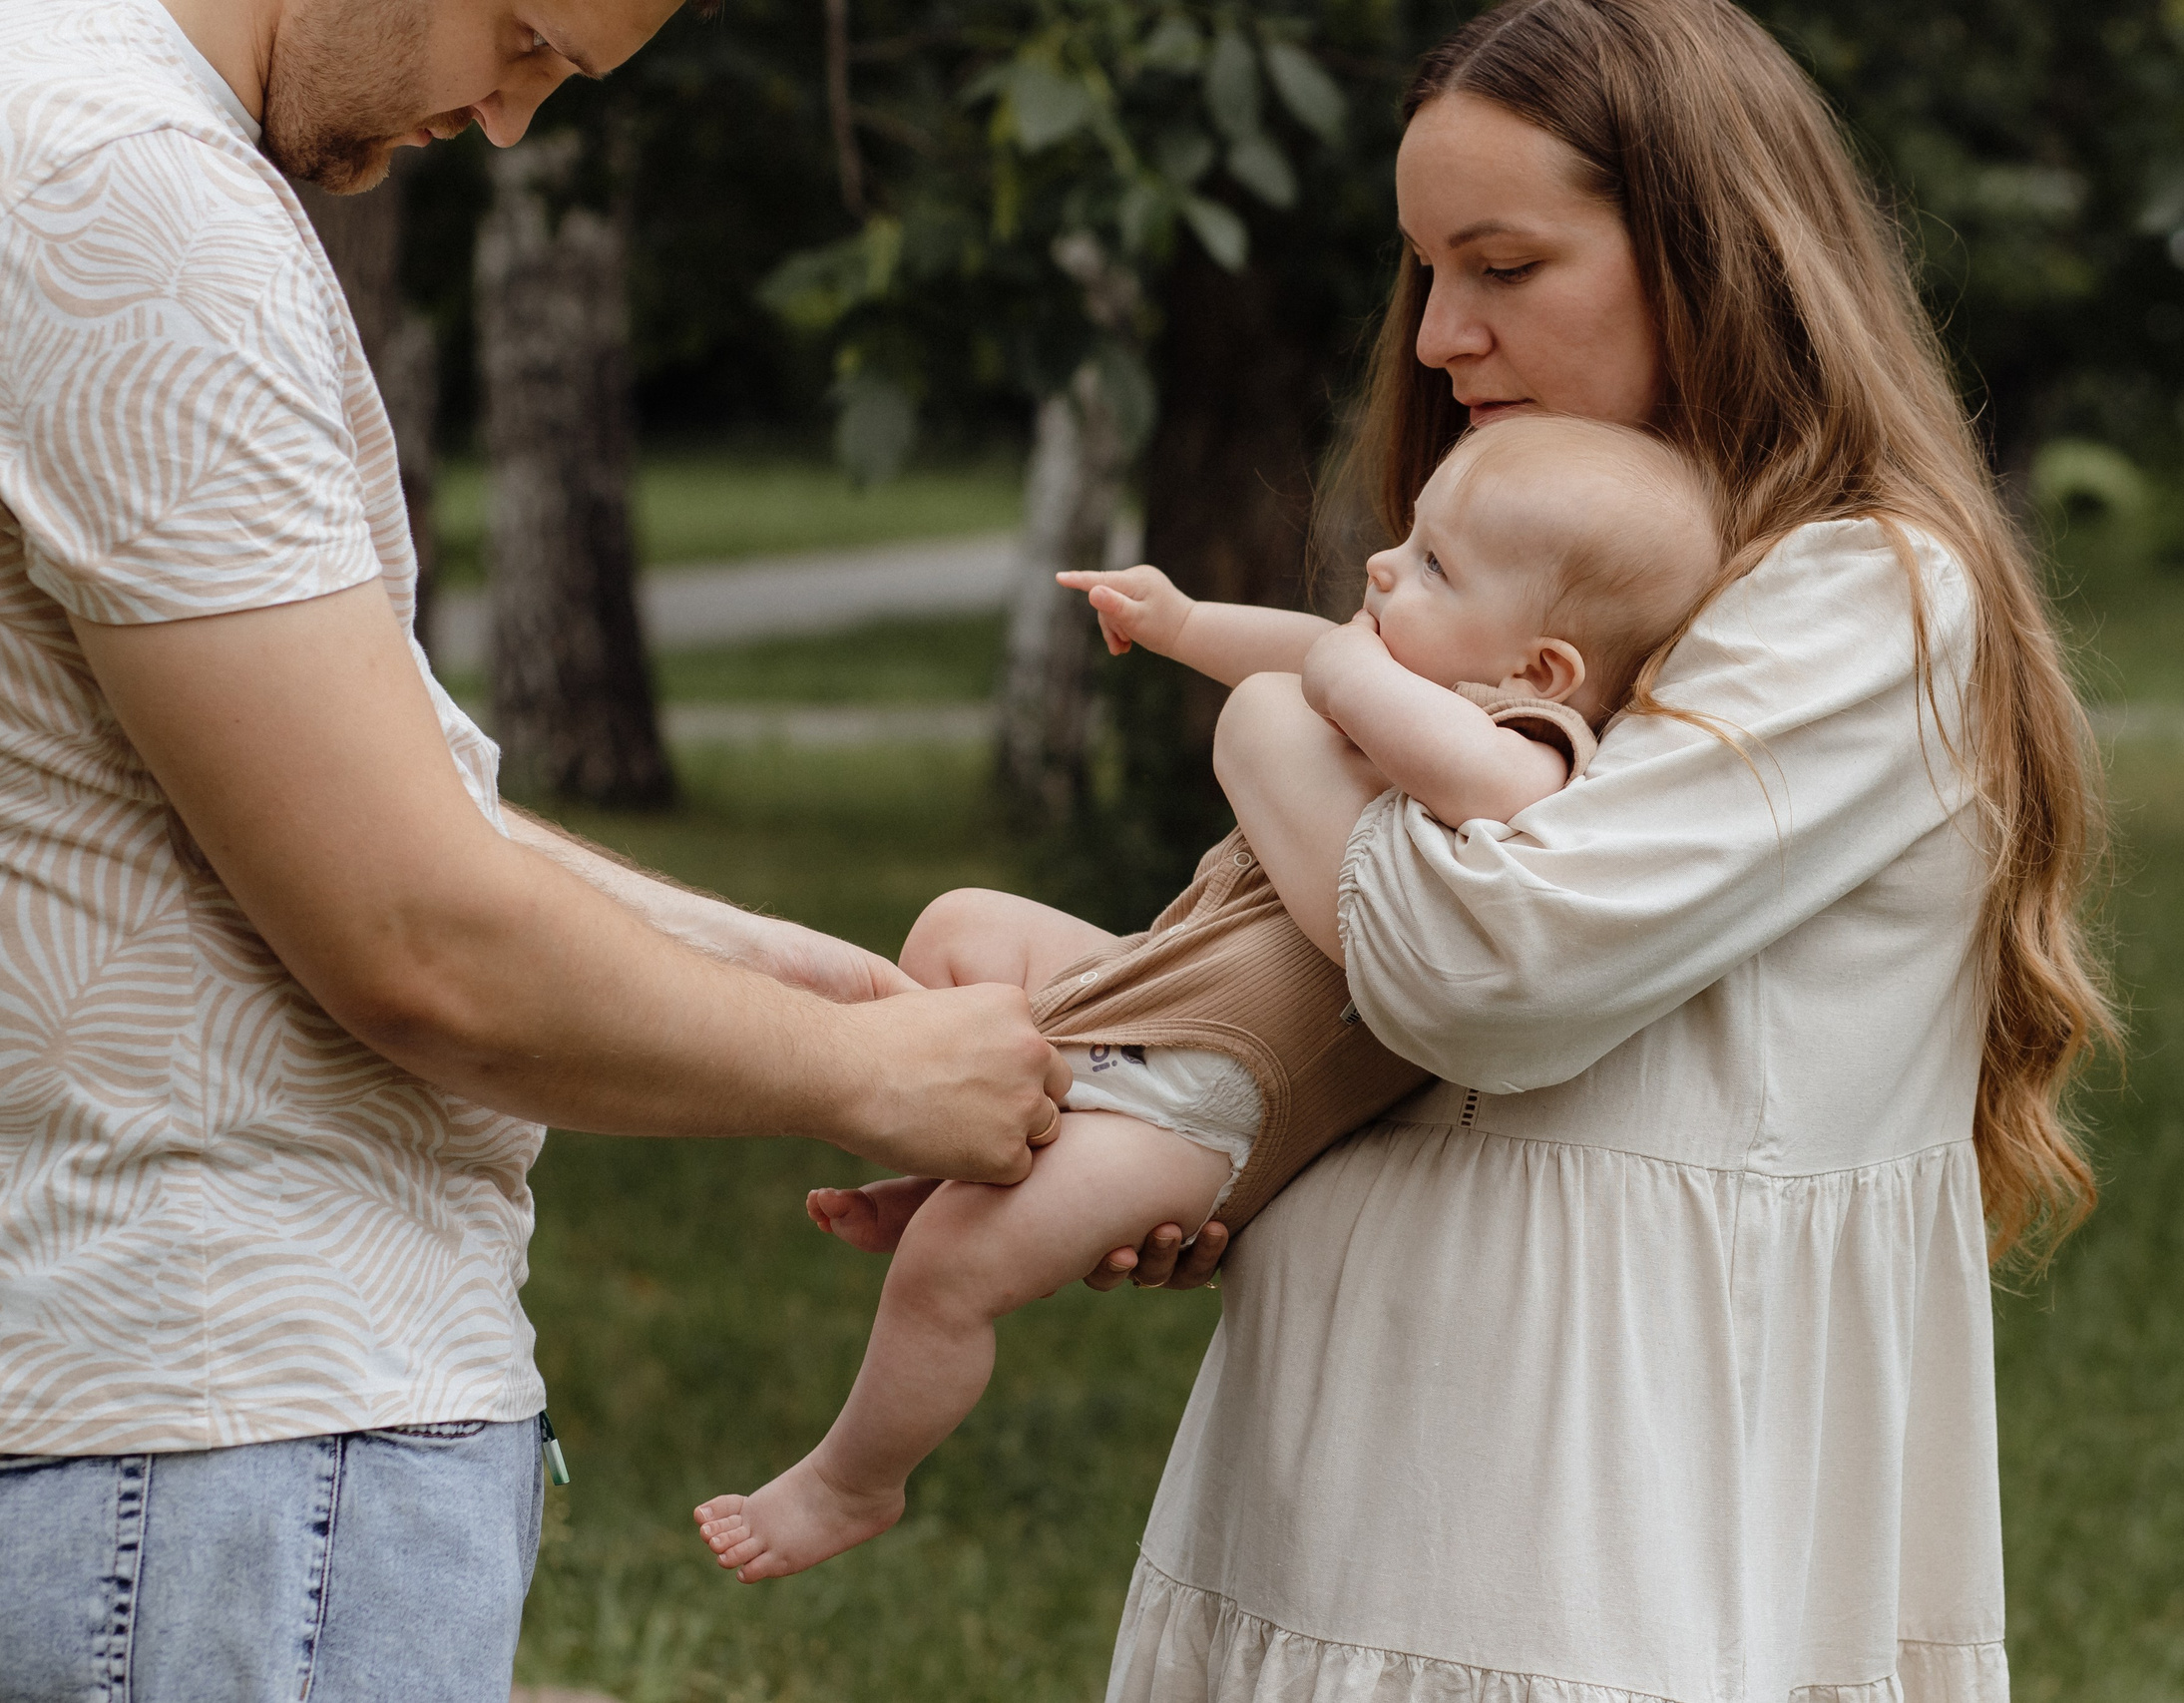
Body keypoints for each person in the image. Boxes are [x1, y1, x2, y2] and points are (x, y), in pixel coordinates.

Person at [0, 0, 1071, 1696]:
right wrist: (866, 1077)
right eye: (527, 39)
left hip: (94, 1417)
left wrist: (800, 976)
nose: (505, 121)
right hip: (227, 1440)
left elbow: (314, 796)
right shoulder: (116, 184)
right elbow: (415, 935)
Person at [1099, 2, 2117, 1699]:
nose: (1437, 337)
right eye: (1424, 271)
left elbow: (1491, 969)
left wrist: (1268, 722)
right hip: (1354, 1468)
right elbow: (1350, 985)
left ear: (1717, 260)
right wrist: (1206, 1128)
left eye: (1501, 265)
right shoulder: (1534, 579)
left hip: (1588, 1519)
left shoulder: (1864, 592)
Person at [691, 416, 1727, 1583]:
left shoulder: (1532, 743)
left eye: (1435, 565)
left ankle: (850, 1482)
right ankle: (964, 1148)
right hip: (1157, 978)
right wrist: (1181, 625)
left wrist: (1341, 671)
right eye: (1409, 538)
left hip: (1201, 1107)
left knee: (948, 1269)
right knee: (954, 930)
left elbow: (1465, 768)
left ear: (1539, 667)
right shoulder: (1403, 669)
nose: (1383, 567)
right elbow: (1302, 647)